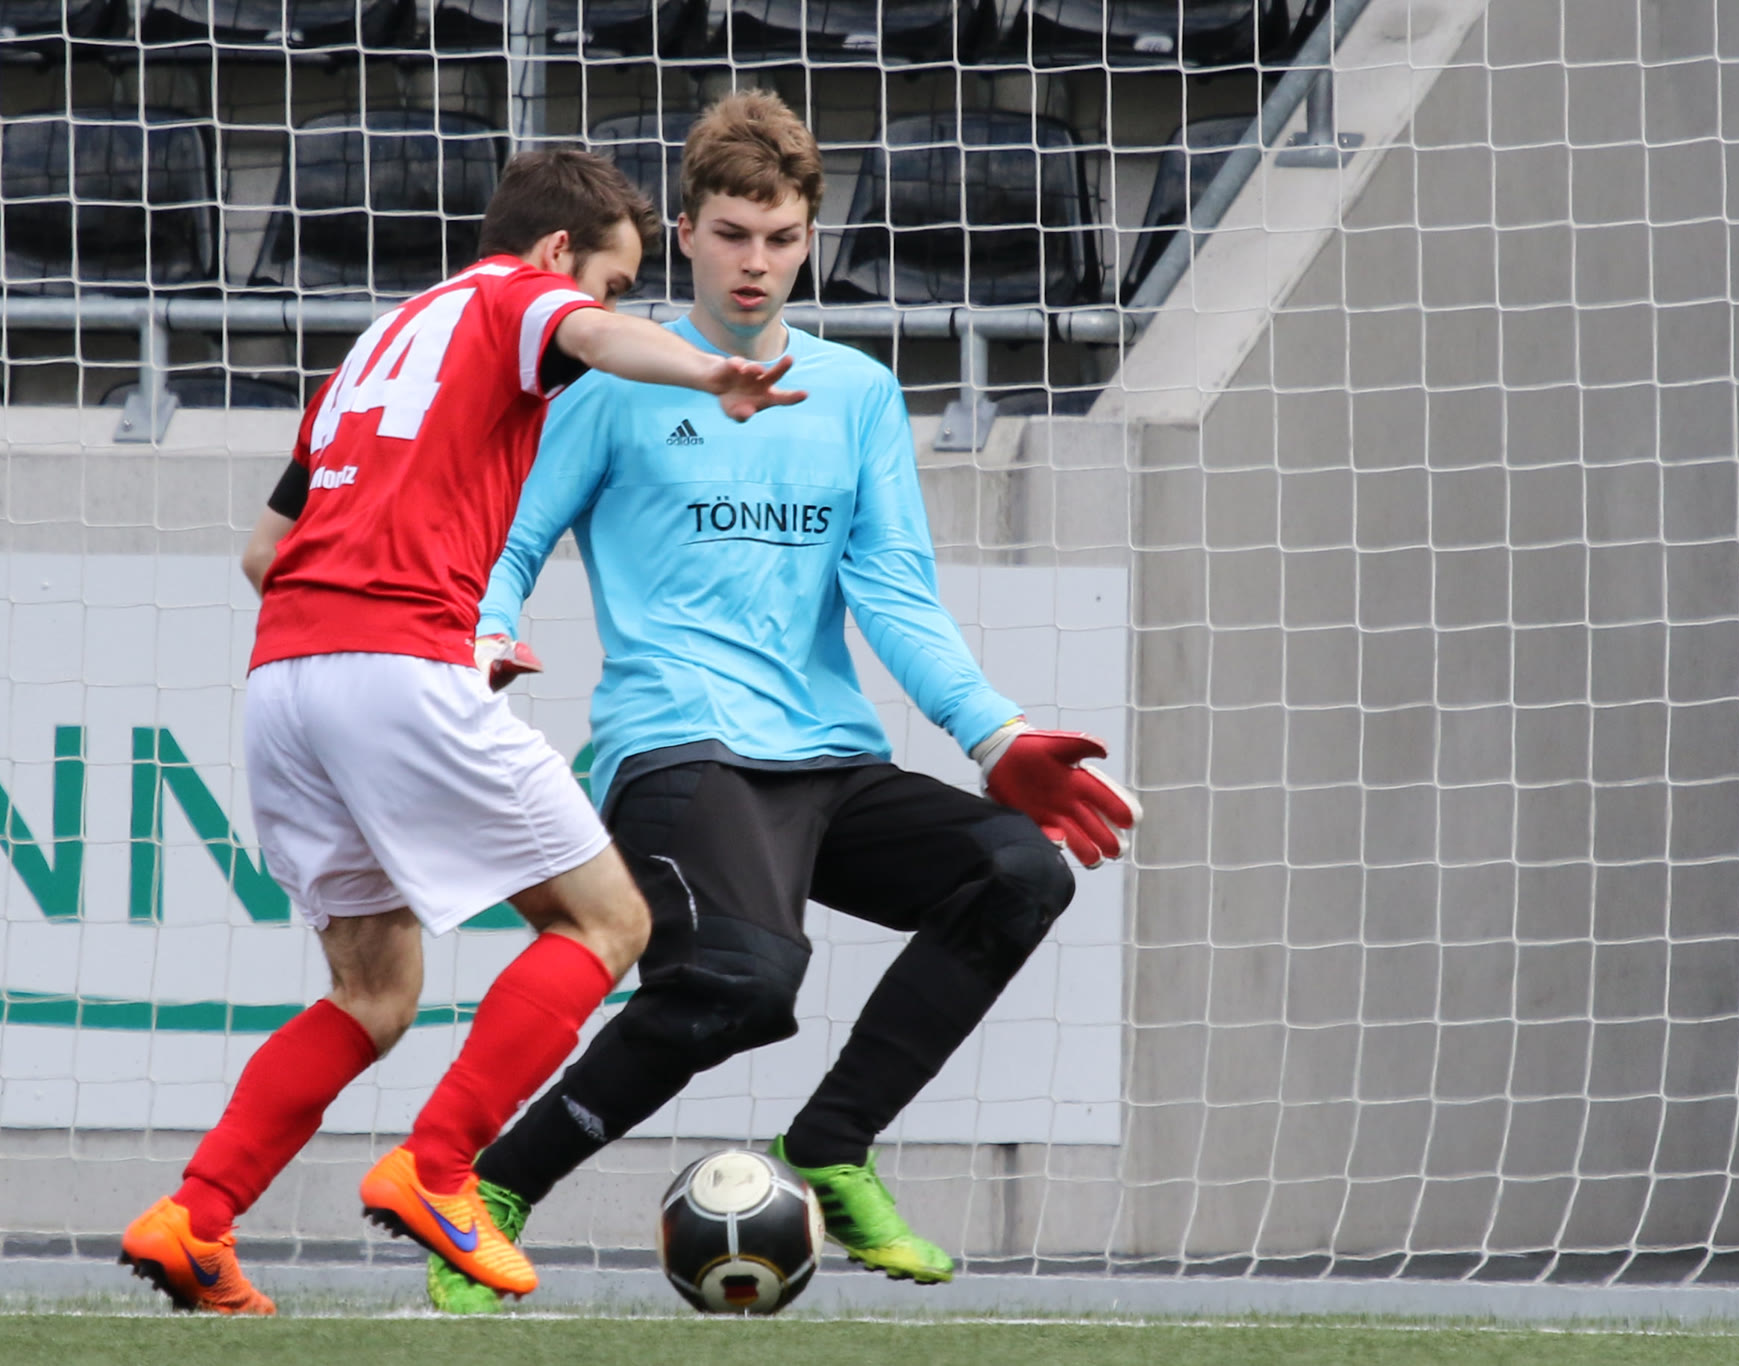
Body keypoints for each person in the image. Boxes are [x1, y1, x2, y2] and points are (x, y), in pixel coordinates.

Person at [424, 90, 1141, 1313]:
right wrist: (483, 633)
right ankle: (491, 1190)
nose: (754, 262)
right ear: (686, 234)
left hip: (825, 759)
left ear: (809, 238)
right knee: (742, 986)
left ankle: (831, 1146)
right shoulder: (610, 378)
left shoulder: (854, 392)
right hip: (679, 750)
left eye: (780, 237)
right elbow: (511, 540)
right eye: (730, 234)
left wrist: (996, 734)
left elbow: (893, 593)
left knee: (1020, 871)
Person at [115, 147, 806, 1316]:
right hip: (395, 666)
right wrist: (710, 373)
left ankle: (196, 1213)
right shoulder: (515, 296)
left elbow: (264, 553)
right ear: (556, 252)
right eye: (612, 278)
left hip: (286, 679)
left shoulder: (378, 343)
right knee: (608, 919)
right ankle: (440, 1169)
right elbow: (586, 335)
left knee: (372, 994)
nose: (610, 301)